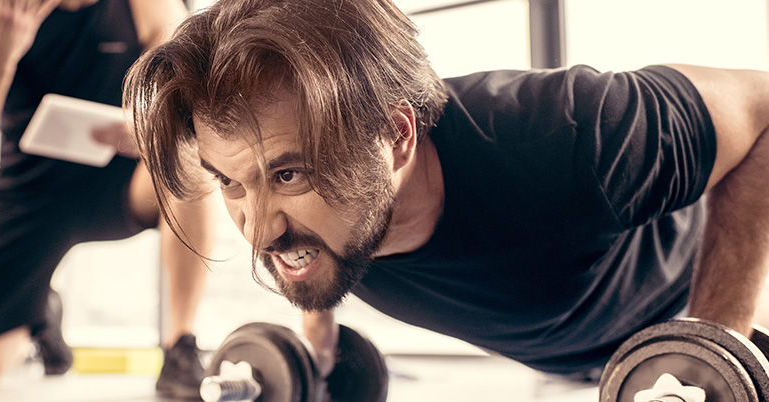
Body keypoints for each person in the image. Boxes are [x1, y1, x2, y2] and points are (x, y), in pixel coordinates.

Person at [126, 0, 769, 384]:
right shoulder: (331, 220)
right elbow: (297, 235)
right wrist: (316, 334)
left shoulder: (576, 136)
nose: (259, 231)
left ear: (396, 137)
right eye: (231, 183)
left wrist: (712, 340)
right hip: (599, 372)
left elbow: (763, 109)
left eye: (291, 174)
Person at [0, 0, 215, 398]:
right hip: (30, 193)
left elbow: (185, 90)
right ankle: (40, 314)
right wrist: (1, 55)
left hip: (120, 182)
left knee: (188, 160)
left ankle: (181, 347)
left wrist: (145, 125)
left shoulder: (145, 5)